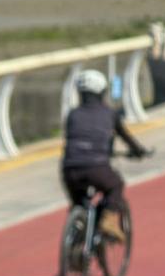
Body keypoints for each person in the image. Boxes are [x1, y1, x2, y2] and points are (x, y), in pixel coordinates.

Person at [61, 69, 150, 243]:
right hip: (97, 167)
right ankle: (108, 220)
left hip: (69, 169)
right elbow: (125, 136)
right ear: (102, 92)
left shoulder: (73, 115)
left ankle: (77, 241)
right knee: (116, 185)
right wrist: (139, 151)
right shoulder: (109, 113)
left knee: (78, 204)